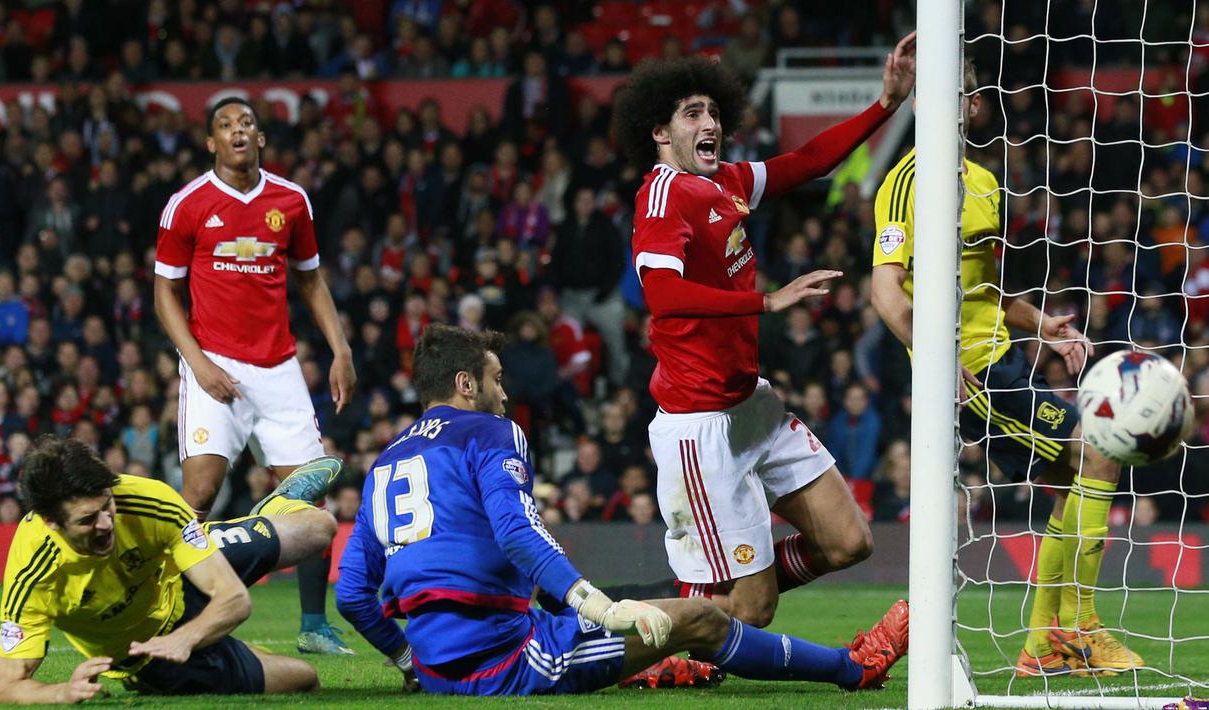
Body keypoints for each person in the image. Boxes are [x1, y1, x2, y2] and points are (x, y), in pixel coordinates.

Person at [336, 324, 909, 695]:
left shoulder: (385, 461)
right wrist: (598, 606)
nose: (505, 394)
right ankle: (852, 668)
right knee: (704, 619)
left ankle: (666, 664)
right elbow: (517, 532)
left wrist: (411, 660)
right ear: (466, 384)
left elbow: (353, 593)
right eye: (496, 380)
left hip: (448, 661)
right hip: (507, 659)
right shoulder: (490, 432)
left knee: (643, 615)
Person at [610, 37, 915, 627]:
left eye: (715, 113)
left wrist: (886, 104)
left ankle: (700, 609)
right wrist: (767, 301)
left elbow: (807, 163)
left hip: (750, 403)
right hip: (701, 423)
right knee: (753, 612)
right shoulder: (662, 196)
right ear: (659, 132)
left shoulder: (724, 181)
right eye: (692, 113)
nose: (710, 124)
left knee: (848, 542)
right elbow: (663, 296)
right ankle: (609, 621)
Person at [870, 57, 1135, 676]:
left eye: (959, 94)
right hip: (967, 372)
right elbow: (886, 289)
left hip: (1007, 357)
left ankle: (1047, 643)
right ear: (917, 104)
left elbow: (987, 291)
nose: (950, 104)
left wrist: (1044, 325)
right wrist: (932, 360)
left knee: (1082, 471)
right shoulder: (905, 182)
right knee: (1099, 448)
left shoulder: (986, 183)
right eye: (934, 94)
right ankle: (1080, 629)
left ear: (974, 104)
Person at [153, 96, 357, 655]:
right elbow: (163, 293)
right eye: (225, 125)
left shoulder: (290, 201)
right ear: (211, 143)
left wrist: (340, 349)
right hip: (212, 363)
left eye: (247, 124)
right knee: (198, 493)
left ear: (260, 139)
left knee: (309, 501)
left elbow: (312, 281)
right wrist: (198, 364)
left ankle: (315, 626)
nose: (238, 131)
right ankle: (164, 606)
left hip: (279, 368)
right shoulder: (187, 205)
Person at [0, 437, 341, 703]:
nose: (106, 524)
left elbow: (234, 599)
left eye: (106, 506)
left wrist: (185, 638)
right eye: (87, 519)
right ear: (51, 521)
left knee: (320, 527)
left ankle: (273, 508)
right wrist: (63, 691)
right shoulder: (33, 572)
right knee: (305, 678)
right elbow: (4, 687)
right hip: (148, 656)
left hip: (183, 572)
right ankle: (226, 647)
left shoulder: (146, 499)